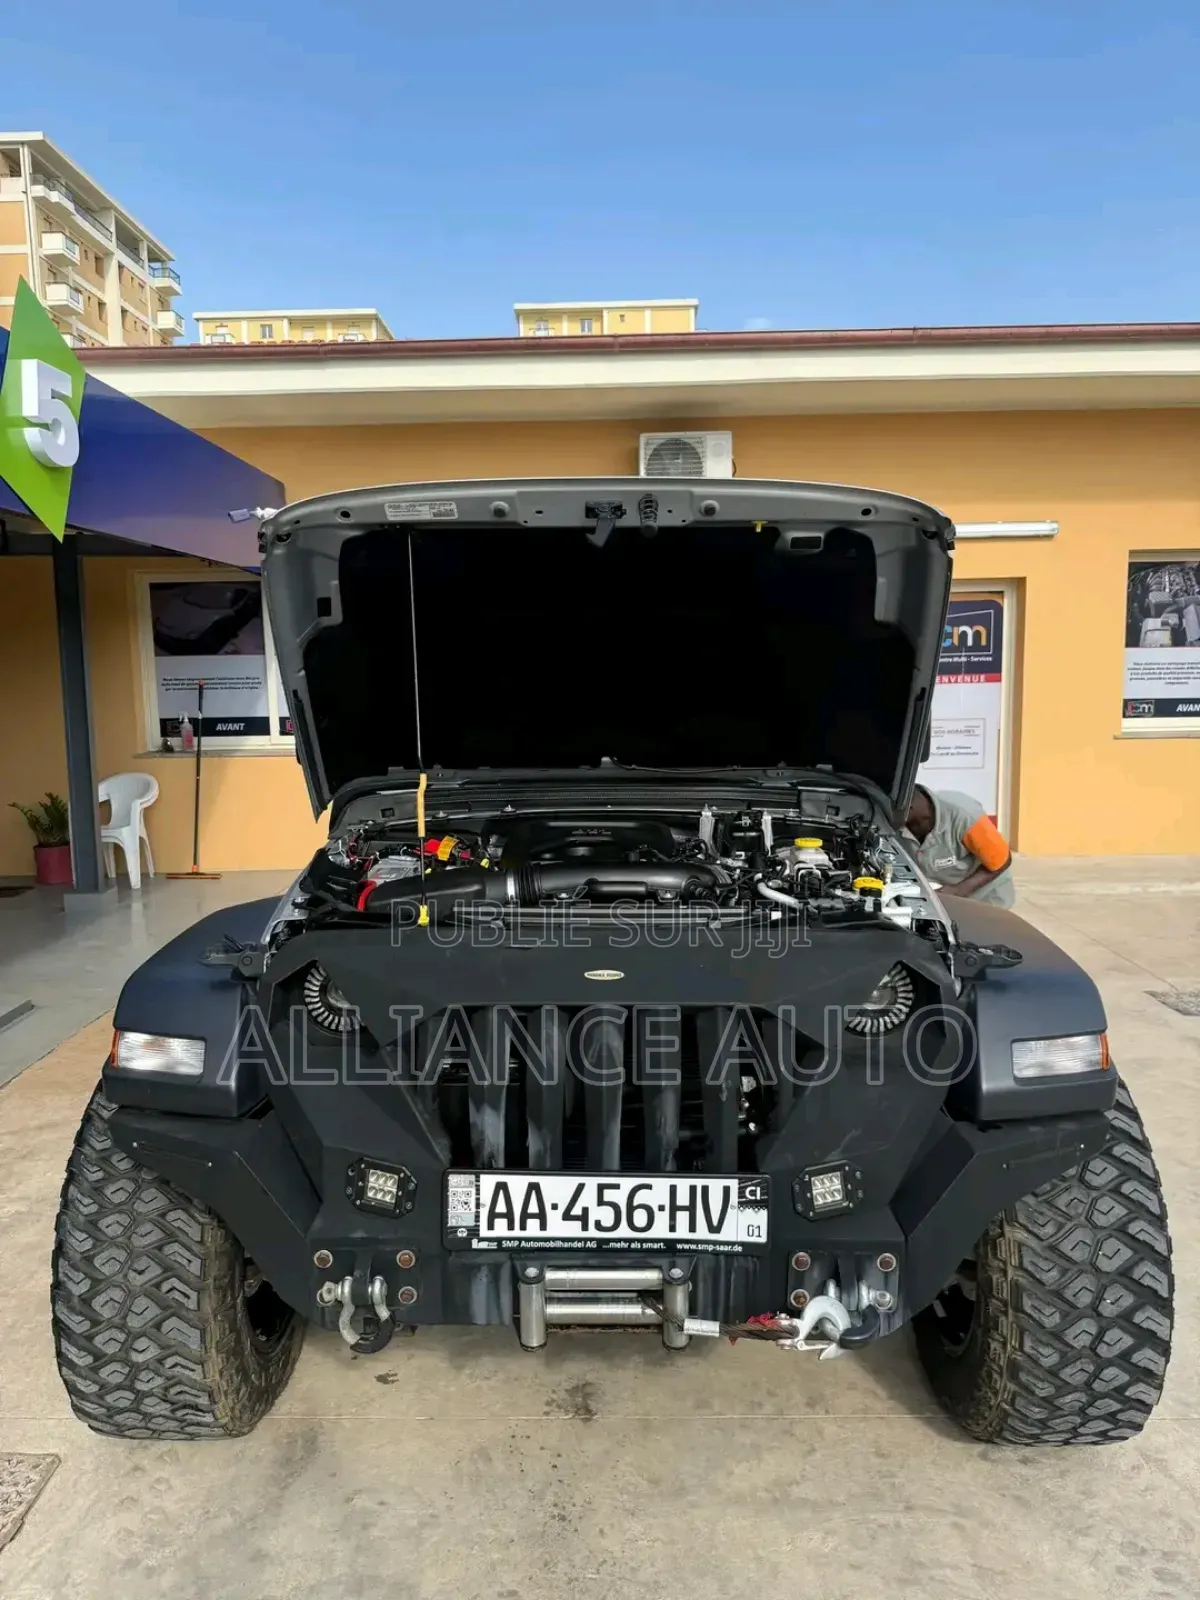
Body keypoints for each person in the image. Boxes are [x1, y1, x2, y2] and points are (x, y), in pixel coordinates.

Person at [901, 785, 1015, 906]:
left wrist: (958, 890)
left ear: (908, 807)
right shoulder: (902, 824)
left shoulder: (965, 816)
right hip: (952, 896)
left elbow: (1002, 860)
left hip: (989, 895)